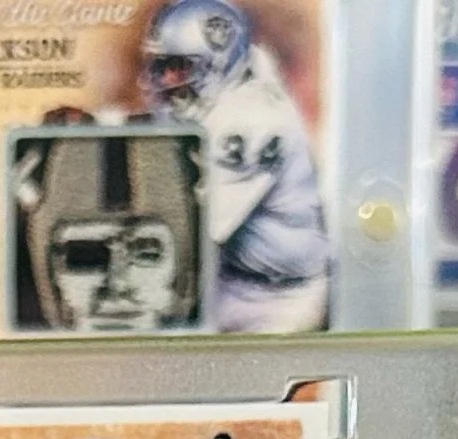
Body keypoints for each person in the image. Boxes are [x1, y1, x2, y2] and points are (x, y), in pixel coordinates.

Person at [137, 0, 331, 332]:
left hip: (280, 300)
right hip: (228, 282)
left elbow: (194, 230)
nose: (167, 79)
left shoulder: (254, 118)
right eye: (161, 65)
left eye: (180, 66)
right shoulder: (223, 93)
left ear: (219, 61)